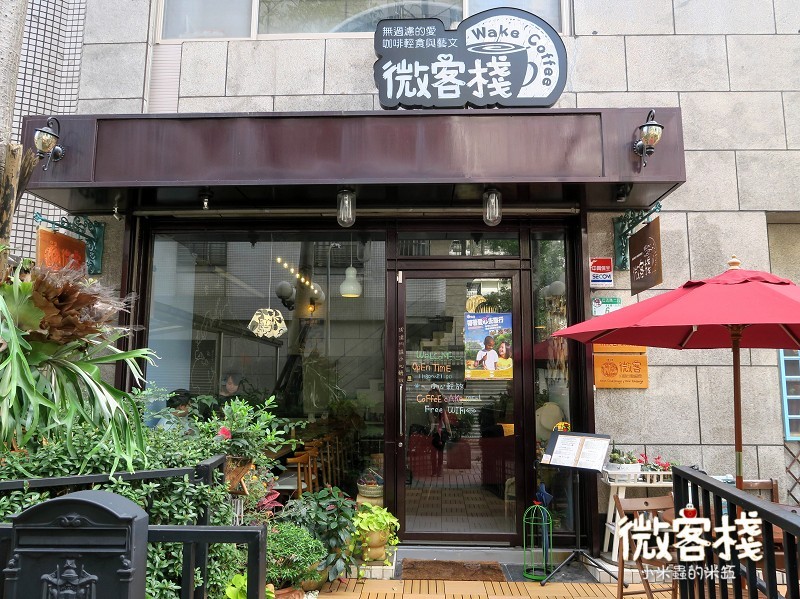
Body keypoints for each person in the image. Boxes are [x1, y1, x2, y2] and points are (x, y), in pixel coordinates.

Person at [428, 385, 452, 476]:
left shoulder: (442, 405)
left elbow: (446, 401)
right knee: (433, 452)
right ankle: (434, 470)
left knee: (440, 451)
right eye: (433, 394)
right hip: (433, 431)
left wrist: (440, 392)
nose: (434, 396)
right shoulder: (429, 405)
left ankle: (439, 470)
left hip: (441, 431)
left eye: (436, 394)